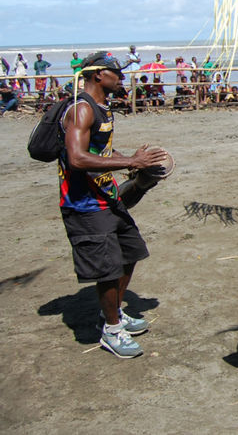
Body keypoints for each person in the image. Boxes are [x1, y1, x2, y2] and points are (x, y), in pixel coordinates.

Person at [58, 52, 168, 357]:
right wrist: (131, 161)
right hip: (84, 205)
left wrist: (128, 163)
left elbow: (100, 150)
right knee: (107, 269)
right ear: (97, 76)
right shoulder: (81, 109)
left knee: (130, 252)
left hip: (107, 199)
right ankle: (111, 330)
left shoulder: (102, 108)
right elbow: (77, 157)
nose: (120, 78)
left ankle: (114, 314)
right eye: (115, 73)